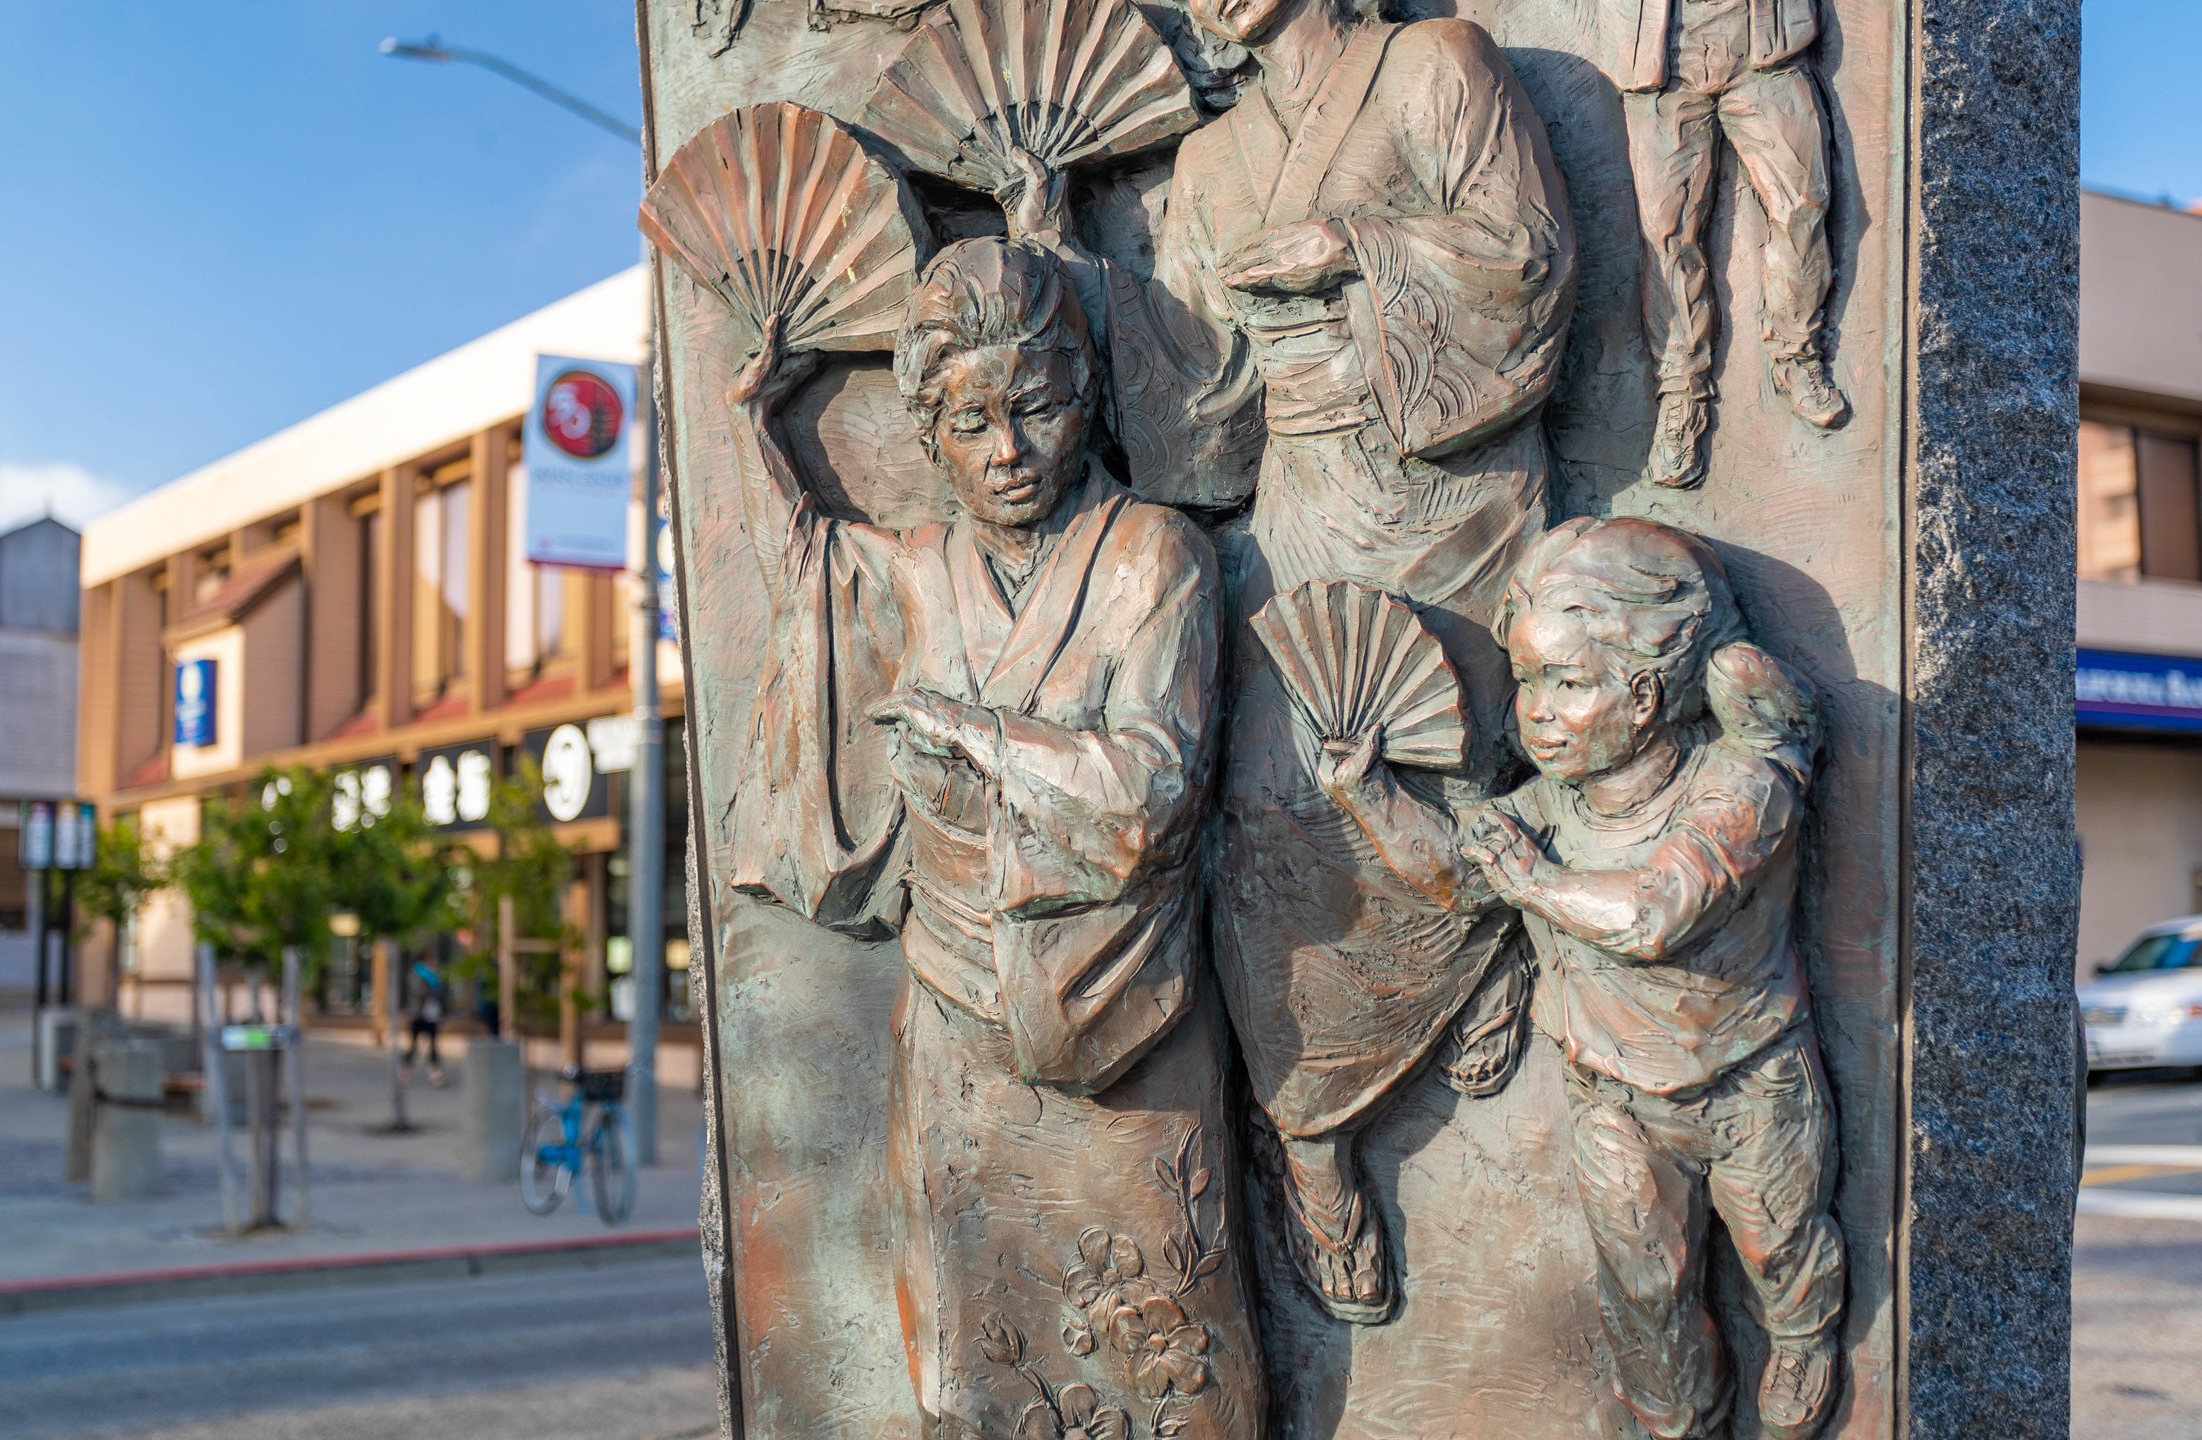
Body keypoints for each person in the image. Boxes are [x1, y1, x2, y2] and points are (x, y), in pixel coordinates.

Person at [727, 237, 1262, 1440]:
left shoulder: (1152, 556)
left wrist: (970, 732)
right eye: (968, 425)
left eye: (1035, 408)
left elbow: (1148, 792)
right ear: (928, 436)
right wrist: (750, 424)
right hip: (958, 1013)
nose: (1007, 452)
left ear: (1087, 395)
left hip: (1128, 1010)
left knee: (1167, 1342)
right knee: (989, 1355)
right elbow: (811, 577)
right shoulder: (921, 572)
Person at [1105, 0, 1578, 1324]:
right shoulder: (1211, 161)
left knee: (1448, 766)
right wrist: (1062, 260)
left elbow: (1534, 262)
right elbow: (1198, 399)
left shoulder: (1438, 67)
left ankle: (1480, 948)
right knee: (1271, 801)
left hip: (1449, 484)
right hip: (1303, 500)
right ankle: (1311, 1138)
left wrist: (1361, 250)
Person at [1323, 517, 1845, 1440]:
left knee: (1782, 1247)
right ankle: (1679, 1419)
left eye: (1566, 684)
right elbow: (1454, 873)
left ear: (1645, 693)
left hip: (1749, 1080)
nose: (1534, 712)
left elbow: (1654, 911)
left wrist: (1536, 880)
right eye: (1526, 682)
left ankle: (1803, 1336)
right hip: (1613, 1098)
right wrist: (1371, 798)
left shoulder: (1742, 783)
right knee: (1645, 1288)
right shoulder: (1552, 807)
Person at [1600, 0, 1849, 486]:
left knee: (1802, 204)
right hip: (1659, 58)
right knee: (1667, 235)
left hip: (1766, 50)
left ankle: (1797, 356)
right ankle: (1681, 393)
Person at [401, 958, 447, 1088]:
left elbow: (442, 994)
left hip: (432, 1015)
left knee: (433, 1043)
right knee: (414, 1044)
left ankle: (435, 1072)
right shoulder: (416, 974)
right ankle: (404, 1067)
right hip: (418, 1014)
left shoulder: (435, 975)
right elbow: (419, 992)